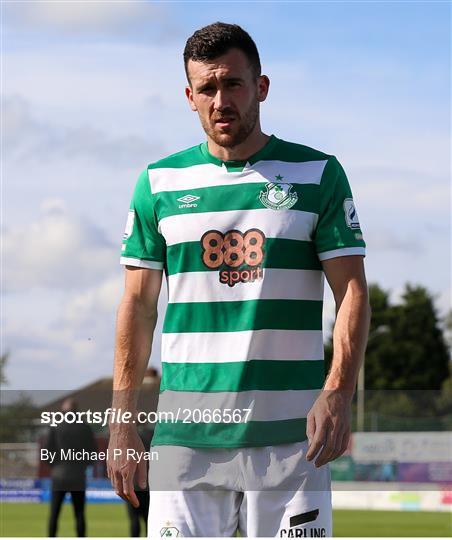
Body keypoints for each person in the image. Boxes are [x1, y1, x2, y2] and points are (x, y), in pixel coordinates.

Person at [108, 22, 370, 537]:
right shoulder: (158, 183)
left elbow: (353, 293)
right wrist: (122, 416)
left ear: (262, 87)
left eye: (233, 84)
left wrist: (338, 391)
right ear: (189, 96)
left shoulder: (318, 174)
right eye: (207, 88)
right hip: (185, 441)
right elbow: (137, 307)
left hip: (294, 439)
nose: (220, 100)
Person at [45, 398, 96, 537]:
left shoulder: (56, 426)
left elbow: (48, 450)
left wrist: (54, 466)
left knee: (54, 513)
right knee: (79, 513)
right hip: (78, 475)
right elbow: (93, 452)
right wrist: (84, 466)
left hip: (59, 475)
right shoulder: (85, 427)